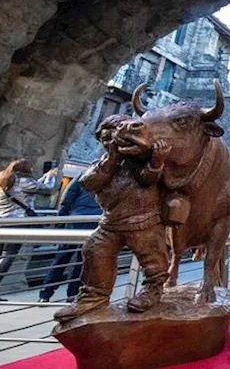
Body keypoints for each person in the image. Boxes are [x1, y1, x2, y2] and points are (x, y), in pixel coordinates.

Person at [53, 115, 171, 321]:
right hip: (110, 223)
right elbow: (88, 183)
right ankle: (93, 296)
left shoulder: (139, 163)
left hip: (143, 222)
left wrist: (156, 161)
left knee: (152, 260)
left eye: (116, 137)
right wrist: (112, 159)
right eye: (106, 139)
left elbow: (148, 179)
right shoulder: (104, 164)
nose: (111, 143)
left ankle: (153, 290)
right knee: (95, 251)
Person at [0, 159, 57, 300]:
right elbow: (47, 189)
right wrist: (51, 177)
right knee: (8, 255)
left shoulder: (4, 179)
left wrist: (45, 175)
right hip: (17, 222)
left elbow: (34, 186)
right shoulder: (23, 181)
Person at [38, 175, 101, 303]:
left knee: (62, 258)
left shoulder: (84, 174)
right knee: (82, 261)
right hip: (94, 222)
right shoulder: (110, 177)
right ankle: (72, 295)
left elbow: (67, 196)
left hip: (74, 221)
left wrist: (61, 219)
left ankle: (45, 293)